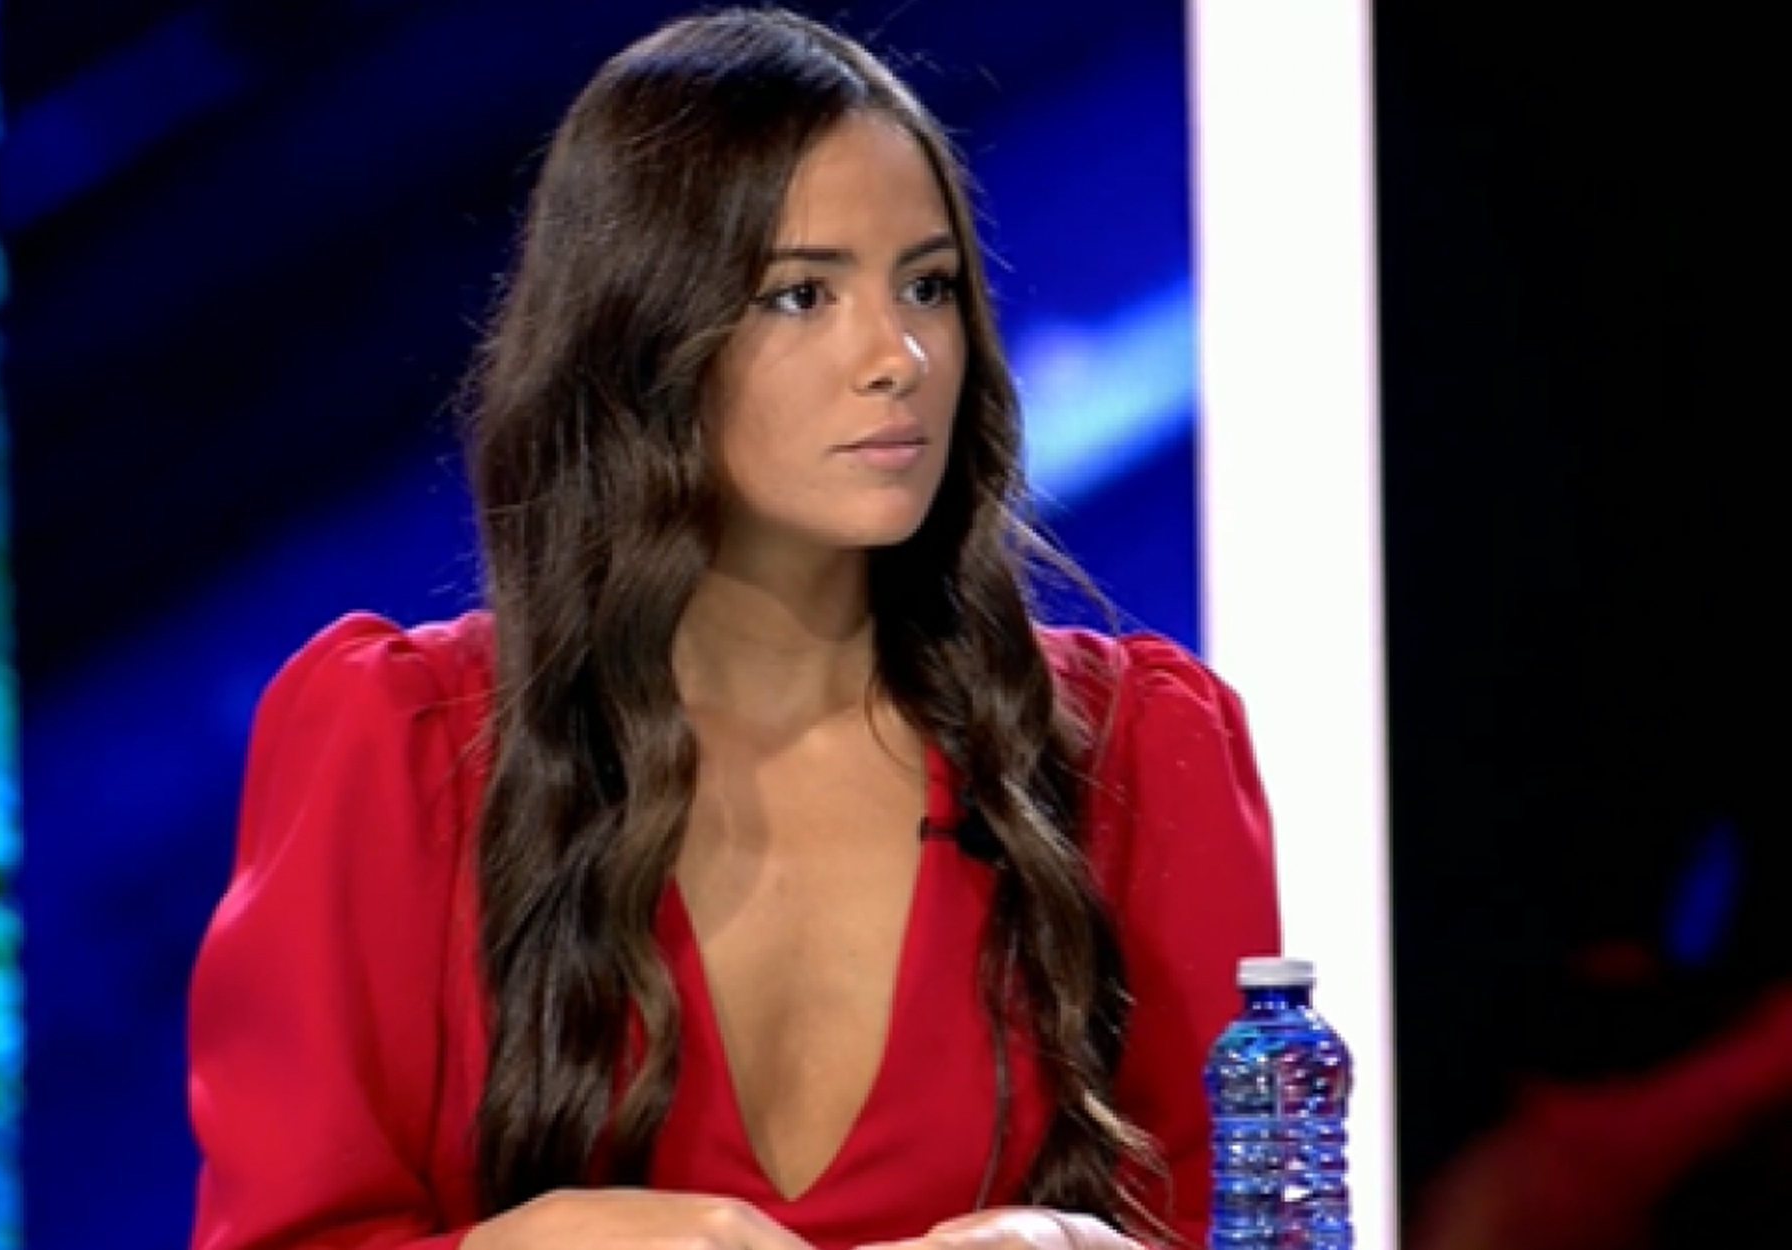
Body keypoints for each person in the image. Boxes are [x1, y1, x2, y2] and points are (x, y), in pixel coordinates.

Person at [185, 9, 1279, 1249]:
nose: (897, 354)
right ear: (639, 335)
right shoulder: (397, 745)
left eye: (926, 286)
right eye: (800, 295)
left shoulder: (1138, 748)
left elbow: (1249, 1224)